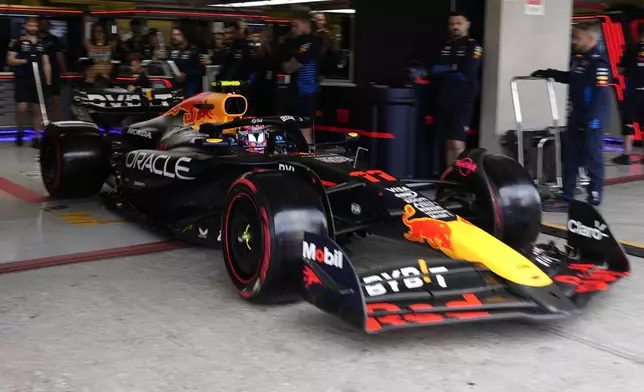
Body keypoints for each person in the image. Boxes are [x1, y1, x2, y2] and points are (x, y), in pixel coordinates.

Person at [532, 23, 611, 211]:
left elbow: (599, 97)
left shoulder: (598, 63)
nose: (573, 41)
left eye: (577, 37)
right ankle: (566, 197)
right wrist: (549, 73)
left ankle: (594, 197)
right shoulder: (580, 60)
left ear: (590, 39)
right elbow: (573, 78)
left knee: (593, 158)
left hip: (593, 118)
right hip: (577, 116)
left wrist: (591, 121)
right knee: (570, 157)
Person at [429, 11, 483, 166]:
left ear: (467, 24)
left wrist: (445, 69)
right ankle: (449, 179)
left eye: (458, 23)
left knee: (457, 144)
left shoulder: (473, 46)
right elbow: (433, 69)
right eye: (451, 24)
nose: (454, 27)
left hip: (463, 101)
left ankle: (460, 179)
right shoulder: (445, 45)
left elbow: (466, 72)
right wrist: (451, 68)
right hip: (443, 98)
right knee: (447, 143)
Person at [6, 16, 52, 147]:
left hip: (38, 80)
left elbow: (46, 63)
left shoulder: (42, 44)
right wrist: (25, 61)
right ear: (25, 26)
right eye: (30, 25)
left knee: (37, 110)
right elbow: (10, 60)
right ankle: (19, 131)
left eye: (35, 25)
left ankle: (37, 137)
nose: (33, 28)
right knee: (22, 108)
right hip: (22, 78)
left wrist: (48, 81)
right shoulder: (17, 41)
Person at [283, 16, 320, 150]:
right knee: (292, 128)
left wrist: (288, 64)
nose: (293, 29)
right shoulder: (296, 42)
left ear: (306, 24)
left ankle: (309, 157)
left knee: (305, 129)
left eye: (296, 26)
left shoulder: (310, 43)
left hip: (306, 92)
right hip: (295, 92)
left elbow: (290, 66)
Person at [612, 24, 644, 165]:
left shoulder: (632, 49)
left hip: (633, 91)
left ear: (637, 34)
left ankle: (626, 155)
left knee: (628, 122)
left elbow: (620, 70)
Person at [38, 17, 66, 123]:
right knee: (40, 100)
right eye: (42, 23)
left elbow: (60, 56)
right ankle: (41, 124)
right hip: (38, 73)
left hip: (54, 72)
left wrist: (64, 71)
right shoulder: (33, 39)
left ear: (49, 26)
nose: (44, 26)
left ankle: (57, 123)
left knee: (55, 99)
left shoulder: (55, 40)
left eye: (46, 24)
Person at [168, 26, 202, 97]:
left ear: (184, 35)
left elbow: (201, 69)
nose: (174, 37)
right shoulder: (171, 50)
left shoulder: (194, 50)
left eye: (177, 34)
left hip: (190, 84)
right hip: (174, 84)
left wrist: (186, 75)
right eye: (173, 35)